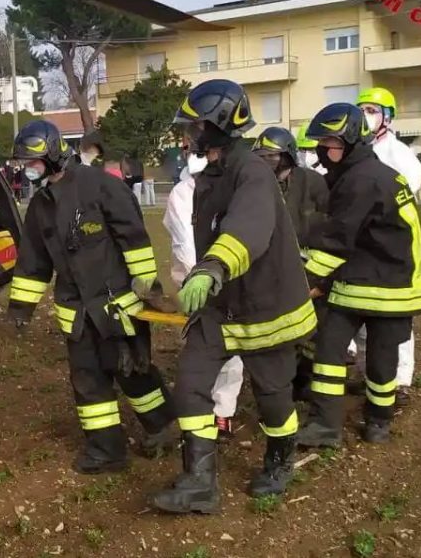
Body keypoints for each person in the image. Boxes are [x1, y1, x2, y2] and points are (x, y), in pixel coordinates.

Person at [150, 80, 316, 515]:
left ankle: (279, 461)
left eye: (196, 126)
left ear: (220, 124)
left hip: (267, 308)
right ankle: (200, 481)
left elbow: (248, 229)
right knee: (189, 385)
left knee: (274, 396)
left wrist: (211, 269)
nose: (188, 135)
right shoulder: (211, 176)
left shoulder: (253, 172)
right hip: (221, 309)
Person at [7, 120, 177, 475]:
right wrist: (21, 307)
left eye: (32, 162)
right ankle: (106, 450)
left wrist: (147, 291)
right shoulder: (40, 206)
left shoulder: (101, 187)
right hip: (77, 313)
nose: (28, 169)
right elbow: (34, 261)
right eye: (24, 163)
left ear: (53, 154)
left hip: (118, 306)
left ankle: (164, 427)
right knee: (87, 380)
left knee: (132, 372)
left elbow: (134, 241)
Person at [297, 103, 421, 447]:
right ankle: (326, 425)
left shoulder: (363, 181)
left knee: (381, 359)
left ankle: (379, 421)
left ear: (351, 143)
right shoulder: (362, 173)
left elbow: (336, 241)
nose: (321, 150)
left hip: (391, 284)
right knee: (328, 350)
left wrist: (301, 284)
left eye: (328, 143)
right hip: (362, 276)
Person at [161, 136, 242, 437]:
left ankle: (223, 412)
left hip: (226, 277)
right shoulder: (182, 193)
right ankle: (202, 411)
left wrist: (218, 271)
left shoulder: (231, 187)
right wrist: (201, 277)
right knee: (202, 350)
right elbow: (183, 242)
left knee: (231, 350)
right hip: (195, 283)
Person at [251, 127, 331, 400]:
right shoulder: (255, 186)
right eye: (262, 157)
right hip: (273, 269)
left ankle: (307, 381)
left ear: (288, 156)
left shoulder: (312, 182)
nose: (268, 163)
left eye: (273, 157)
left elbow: (331, 228)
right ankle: (285, 381)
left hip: (312, 269)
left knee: (313, 331)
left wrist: (320, 279)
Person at [354, 88, 421, 400]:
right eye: (363, 109)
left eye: (372, 109)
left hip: (390, 243)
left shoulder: (401, 156)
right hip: (360, 243)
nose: (366, 115)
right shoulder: (357, 151)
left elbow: (401, 201)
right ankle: (369, 374)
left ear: (388, 117)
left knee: (395, 317)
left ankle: (401, 378)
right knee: (361, 314)